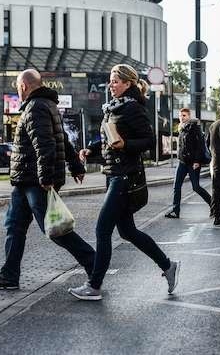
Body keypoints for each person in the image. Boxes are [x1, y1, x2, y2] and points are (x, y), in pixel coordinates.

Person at [69, 64, 180, 300]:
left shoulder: (132, 109)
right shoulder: (113, 108)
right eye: (110, 80)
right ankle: (168, 266)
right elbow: (111, 139)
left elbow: (149, 141)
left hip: (125, 177)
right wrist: (91, 149)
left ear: (128, 84)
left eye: (116, 81)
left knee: (102, 229)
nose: (111, 84)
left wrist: (126, 146)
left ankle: (94, 285)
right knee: (128, 231)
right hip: (113, 175)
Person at [0, 69, 95, 290]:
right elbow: (63, 139)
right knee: (14, 226)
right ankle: (9, 276)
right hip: (24, 181)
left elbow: (46, 144)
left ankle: (94, 264)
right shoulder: (46, 105)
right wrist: (76, 165)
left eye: (18, 87)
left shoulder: (36, 107)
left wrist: (46, 178)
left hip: (36, 181)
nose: (17, 91)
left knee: (56, 229)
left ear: (23, 86)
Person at [165, 108, 212, 219]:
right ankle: (175, 211)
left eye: (184, 115)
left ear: (189, 116)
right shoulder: (181, 128)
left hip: (193, 163)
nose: (182, 117)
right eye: (180, 116)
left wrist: (197, 161)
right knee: (176, 186)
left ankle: (214, 206)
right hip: (182, 162)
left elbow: (200, 146)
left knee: (196, 187)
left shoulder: (194, 127)